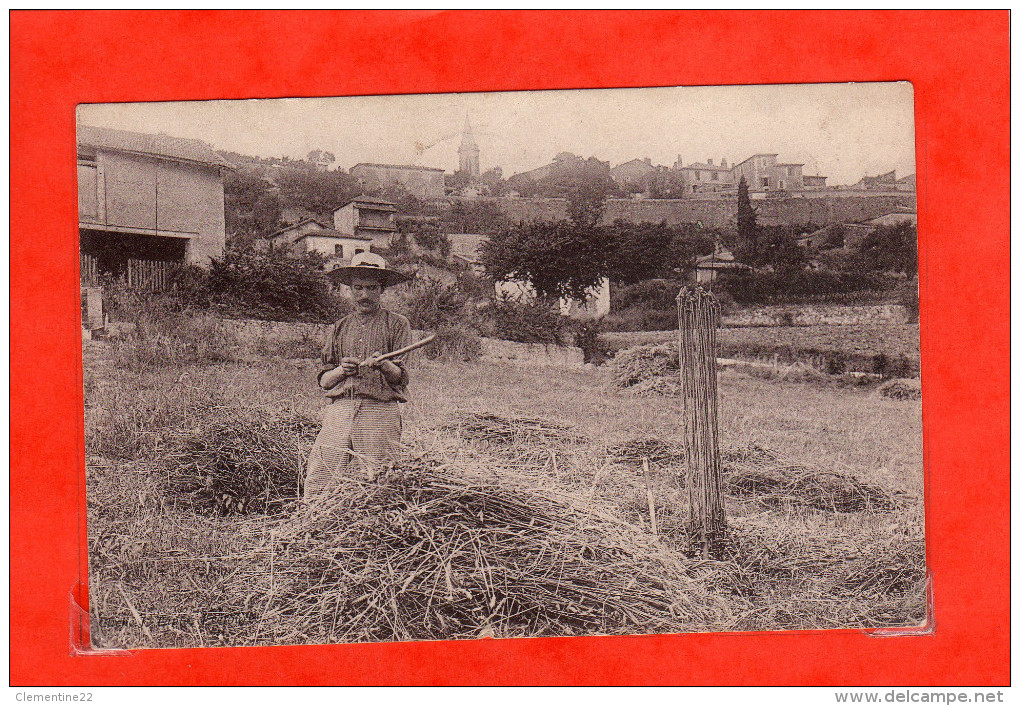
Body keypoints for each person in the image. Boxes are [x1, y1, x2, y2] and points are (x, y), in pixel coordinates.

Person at [304, 251, 413, 500]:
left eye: (372, 288)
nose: (364, 295)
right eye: (358, 288)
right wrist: (342, 370)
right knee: (320, 477)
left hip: (379, 409)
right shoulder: (340, 326)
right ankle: (311, 531)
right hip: (340, 409)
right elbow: (324, 381)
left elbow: (400, 378)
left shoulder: (397, 324)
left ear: (382, 289)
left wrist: (384, 365)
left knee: (381, 481)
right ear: (350, 289)